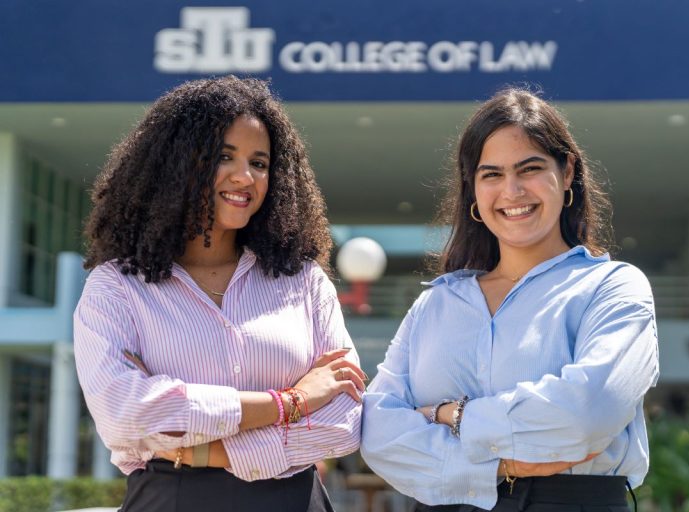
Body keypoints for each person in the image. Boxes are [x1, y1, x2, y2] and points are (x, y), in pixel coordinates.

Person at [73, 76, 365, 512]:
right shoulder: (117, 287)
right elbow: (125, 414)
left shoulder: (303, 280)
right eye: (223, 156)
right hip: (171, 501)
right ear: (174, 164)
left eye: (259, 163)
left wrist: (202, 450)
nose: (245, 177)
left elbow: (344, 420)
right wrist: (292, 402)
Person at [360, 88, 659, 512]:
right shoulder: (436, 303)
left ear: (567, 171)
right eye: (492, 175)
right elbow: (377, 431)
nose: (512, 190)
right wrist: (500, 465)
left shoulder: (613, 287)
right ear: (473, 189)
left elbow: (589, 413)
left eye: (529, 168)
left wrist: (451, 415)